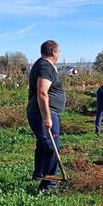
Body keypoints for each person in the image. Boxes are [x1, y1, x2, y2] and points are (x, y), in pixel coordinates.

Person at [26, 40, 66, 190]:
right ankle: (49, 183)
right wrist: (47, 117)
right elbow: (42, 92)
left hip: (40, 112)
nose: (59, 54)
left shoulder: (41, 65)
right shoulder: (45, 66)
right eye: (59, 51)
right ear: (53, 52)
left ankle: (39, 174)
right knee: (51, 146)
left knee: (43, 145)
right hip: (44, 113)